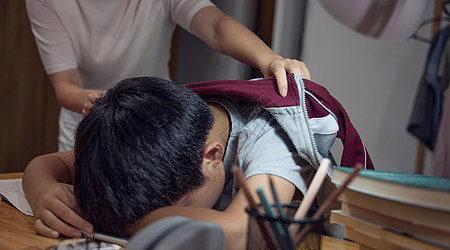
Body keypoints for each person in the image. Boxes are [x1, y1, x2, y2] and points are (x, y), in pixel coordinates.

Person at [22, 75, 373, 250]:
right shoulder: (158, 127)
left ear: (212, 155)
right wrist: (43, 194)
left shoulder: (272, 140)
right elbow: (46, 164)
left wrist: (120, 221)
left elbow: (241, 243)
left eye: (170, 210)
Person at [25, 0, 311, 151]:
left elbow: (215, 26)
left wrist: (270, 59)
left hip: (154, 125)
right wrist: (100, 102)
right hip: (88, 123)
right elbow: (65, 87)